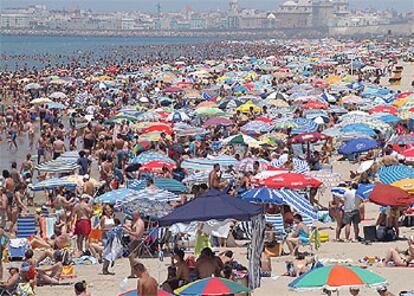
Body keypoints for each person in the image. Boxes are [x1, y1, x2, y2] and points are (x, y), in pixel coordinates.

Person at [123, 211, 145, 278]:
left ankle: (142, 268)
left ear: (137, 215)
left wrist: (128, 232)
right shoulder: (135, 221)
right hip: (133, 241)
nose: (132, 216)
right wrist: (127, 228)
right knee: (130, 257)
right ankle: (133, 273)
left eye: (133, 215)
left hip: (137, 241)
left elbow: (137, 233)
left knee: (133, 258)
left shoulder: (139, 222)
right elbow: (133, 230)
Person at [100, 205, 115, 275]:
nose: (110, 210)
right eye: (108, 209)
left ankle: (106, 268)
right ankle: (104, 268)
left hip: (111, 235)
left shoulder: (111, 217)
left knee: (111, 251)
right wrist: (108, 229)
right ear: (105, 211)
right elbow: (101, 228)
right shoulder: (103, 218)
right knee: (107, 251)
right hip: (105, 235)